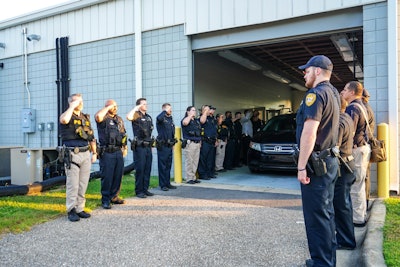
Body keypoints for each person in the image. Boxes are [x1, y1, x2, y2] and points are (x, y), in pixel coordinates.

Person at [296, 55, 340, 267]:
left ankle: (322, 263)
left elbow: (309, 132)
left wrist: (302, 166)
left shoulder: (315, 94)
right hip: (330, 160)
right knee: (327, 213)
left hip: (316, 165)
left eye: (307, 70)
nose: (304, 73)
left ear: (318, 71)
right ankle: (327, 259)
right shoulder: (333, 93)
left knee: (316, 217)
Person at [59, 93, 97, 222]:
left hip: (85, 153)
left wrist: (95, 153)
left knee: (83, 184)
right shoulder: (67, 115)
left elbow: (91, 136)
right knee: (73, 185)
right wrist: (71, 107)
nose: (79, 103)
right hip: (72, 154)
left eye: (80, 101)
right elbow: (63, 120)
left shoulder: (85, 117)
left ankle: (80, 208)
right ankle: (71, 209)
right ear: (70, 102)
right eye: (76, 101)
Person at [340, 81, 371, 227]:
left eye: (345, 89)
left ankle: (357, 218)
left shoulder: (352, 108)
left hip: (356, 150)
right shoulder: (363, 106)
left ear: (352, 92)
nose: (343, 92)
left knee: (355, 185)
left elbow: (349, 132)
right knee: (360, 183)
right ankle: (361, 214)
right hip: (364, 148)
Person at [333, 95, 356, 250]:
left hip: (343, 167)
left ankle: (346, 241)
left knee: (341, 206)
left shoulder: (339, 122)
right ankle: (346, 237)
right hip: (349, 164)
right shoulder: (347, 117)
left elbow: (335, 147)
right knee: (345, 205)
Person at [95, 99, 127, 209]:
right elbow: (98, 116)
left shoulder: (119, 119)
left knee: (118, 175)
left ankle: (114, 196)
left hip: (118, 151)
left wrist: (125, 147)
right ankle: (105, 199)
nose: (115, 108)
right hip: (107, 152)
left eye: (116, 106)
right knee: (107, 176)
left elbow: (123, 134)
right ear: (107, 107)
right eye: (113, 106)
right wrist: (108, 108)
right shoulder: (103, 117)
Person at [127, 98, 155, 198]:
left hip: (148, 146)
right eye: (144, 104)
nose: (146, 106)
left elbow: (149, 132)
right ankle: (139, 191)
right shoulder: (136, 114)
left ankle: (145, 189)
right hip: (139, 147)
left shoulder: (148, 117)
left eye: (146, 104)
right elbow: (128, 117)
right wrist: (136, 108)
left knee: (147, 168)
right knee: (140, 169)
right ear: (139, 105)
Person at [156, 103, 177, 191]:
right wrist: (164, 111)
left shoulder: (170, 118)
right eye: (169, 109)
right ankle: (162, 184)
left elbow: (172, 132)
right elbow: (158, 118)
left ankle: (167, 183)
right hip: (163, 145)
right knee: (162, 166)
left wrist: (173, 144)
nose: (170, 110)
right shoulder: (161, 118)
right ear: (164, 109)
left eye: (170, 108)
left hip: (169, 145)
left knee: (168, 165)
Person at [181, 106, 202, 184]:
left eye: (195, 110)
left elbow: (199, 133)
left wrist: (200, 142)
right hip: (190, 143)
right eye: (193, 110)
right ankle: (189, 178)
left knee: (195, 161)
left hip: (197, 143)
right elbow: (185, 123)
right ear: (188, 111)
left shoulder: (196, 121)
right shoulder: (186, 119)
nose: (194, 112)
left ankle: (193, 177)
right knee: (189, 161)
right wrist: (189, 115)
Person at [362, 88, 375, 208]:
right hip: (368, 146)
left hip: (363, 146)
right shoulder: (368, 107)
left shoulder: (363, 109)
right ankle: (366, 201)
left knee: (364, 177)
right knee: (366, 176)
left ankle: (364, 203)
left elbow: (364, 131)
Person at [198, 105, 217, 180]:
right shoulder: (202, 117)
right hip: (205, 140)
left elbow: (214, 130)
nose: (209, 111)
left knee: (210, 158)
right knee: (203, 158)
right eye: (206, 110)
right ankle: (203, 174)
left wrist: (215, 139)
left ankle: (209, 173)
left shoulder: (211, 119)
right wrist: (205, 112)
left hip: (212, 141)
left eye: (208, 110)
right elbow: (202, 121)